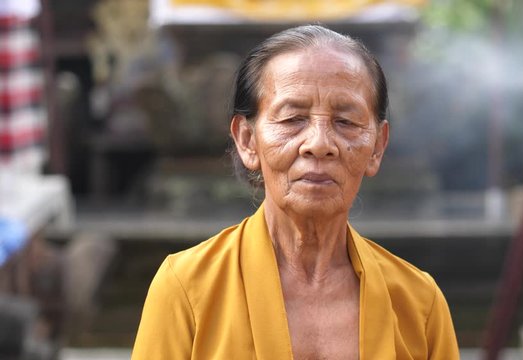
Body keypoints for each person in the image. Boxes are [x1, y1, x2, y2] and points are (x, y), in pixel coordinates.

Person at [132, 25, 458, 359]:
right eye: (292, 119)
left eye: (345, 122)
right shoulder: (187, 288)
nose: (319, 144)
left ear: (377, 147)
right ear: (247, 140)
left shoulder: (419, 304)